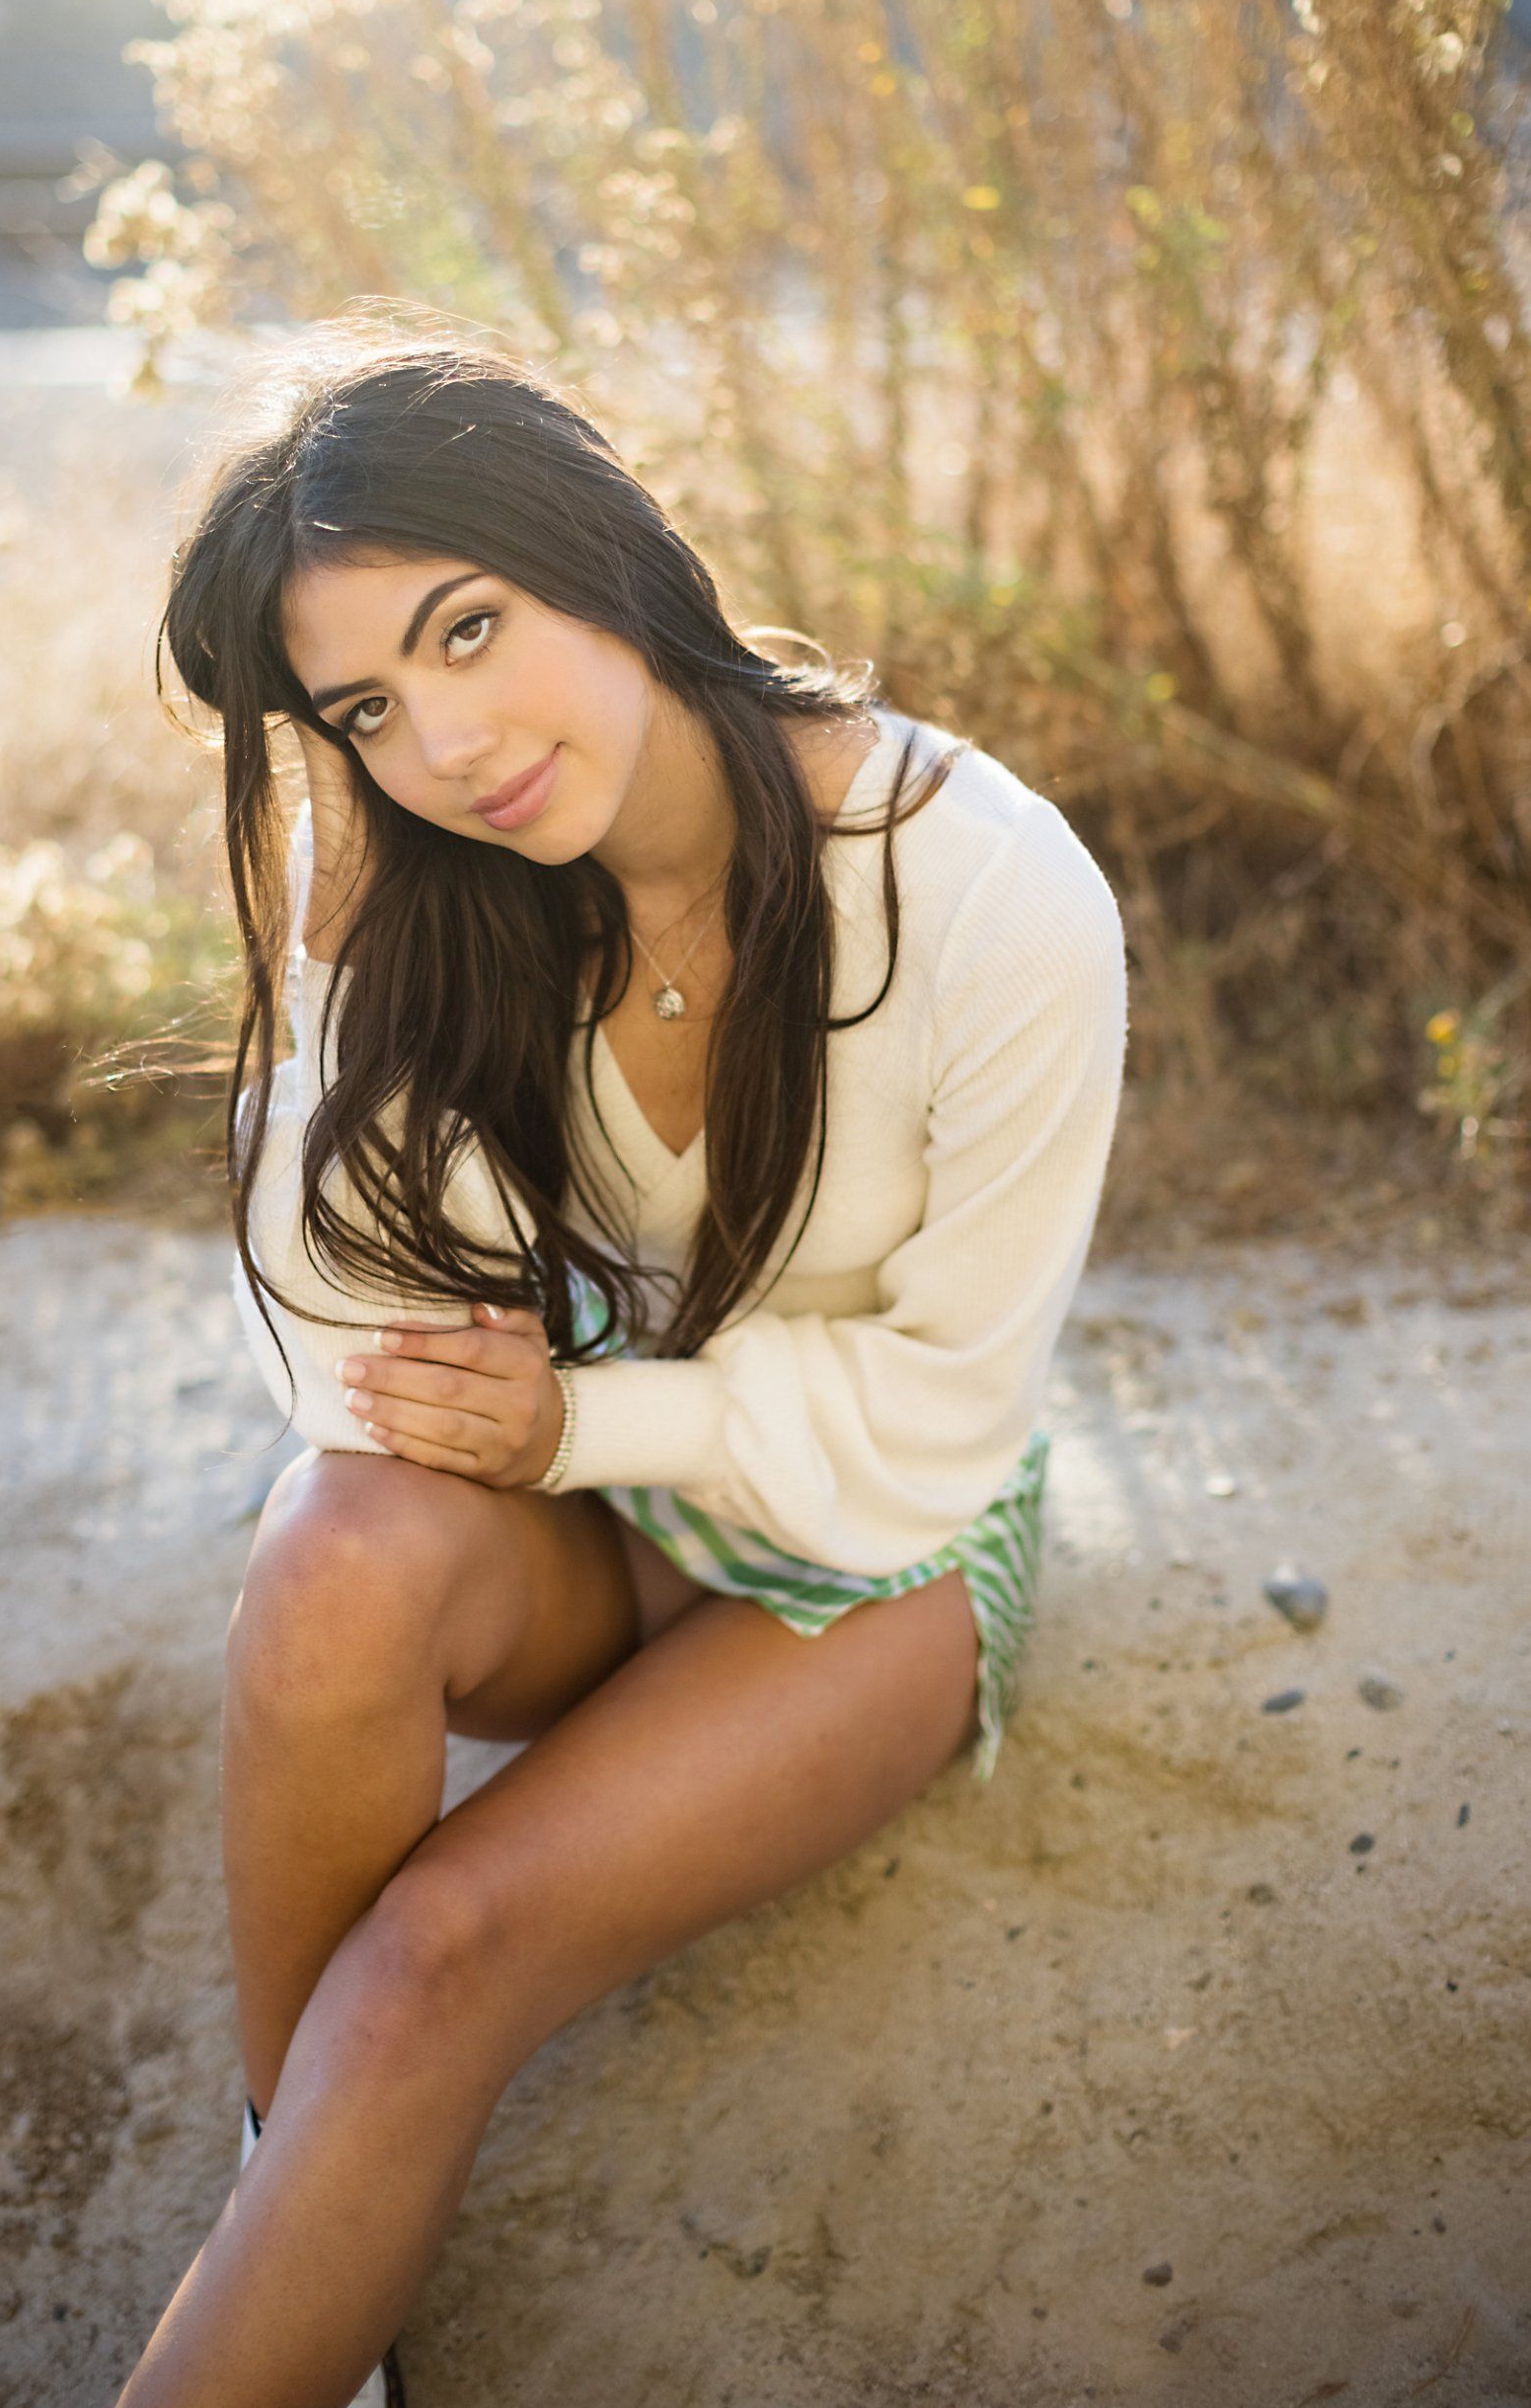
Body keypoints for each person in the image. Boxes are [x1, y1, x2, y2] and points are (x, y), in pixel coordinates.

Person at [115, 327, 1128, 2408]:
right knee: (325, 1561)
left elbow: (938, 1431)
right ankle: (314, 2192)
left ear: (599, 549)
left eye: (469, 629)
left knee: (425, 1975)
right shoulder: (474, 885)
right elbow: (349, 1366)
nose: (453, 738)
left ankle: (316, 2185)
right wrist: (330, 944)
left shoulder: (988, 889)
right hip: (608, 1495)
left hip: (870, 1560)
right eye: (371, 708)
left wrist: (591, 1418)